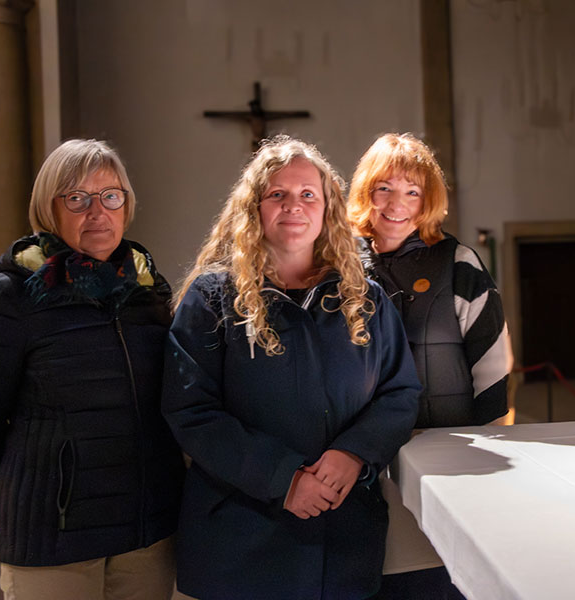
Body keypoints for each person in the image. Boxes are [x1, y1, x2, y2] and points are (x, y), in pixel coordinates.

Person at [162, 135, 421, 599]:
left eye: (308, 195)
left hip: (343, 537)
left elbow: (399, 393)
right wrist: (284, 480)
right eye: (277, 194)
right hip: (242, 539)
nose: (293, 206)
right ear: (254, 208)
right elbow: (191, 412)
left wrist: (355, 453)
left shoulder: (364, 299)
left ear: (327, 210)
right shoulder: (212, 298)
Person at [0, 139, 185, 599]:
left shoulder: (149, 293)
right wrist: (8, 513)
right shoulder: (10, 298)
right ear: (49, 209)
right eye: (77, 199)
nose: (97, 212)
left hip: (144, 536)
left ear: (126, 206)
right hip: (52, 540)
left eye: (110, 196)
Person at [347, 133, 512, 598]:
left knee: (434, 577)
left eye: (412, 191)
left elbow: (492, 364)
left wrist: (488, 451)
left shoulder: (460, 263)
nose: (397, 203)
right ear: (366, 193)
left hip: (445, 454)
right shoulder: (338, 265)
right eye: (385, 188)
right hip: (361, 459)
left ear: (428, 201)